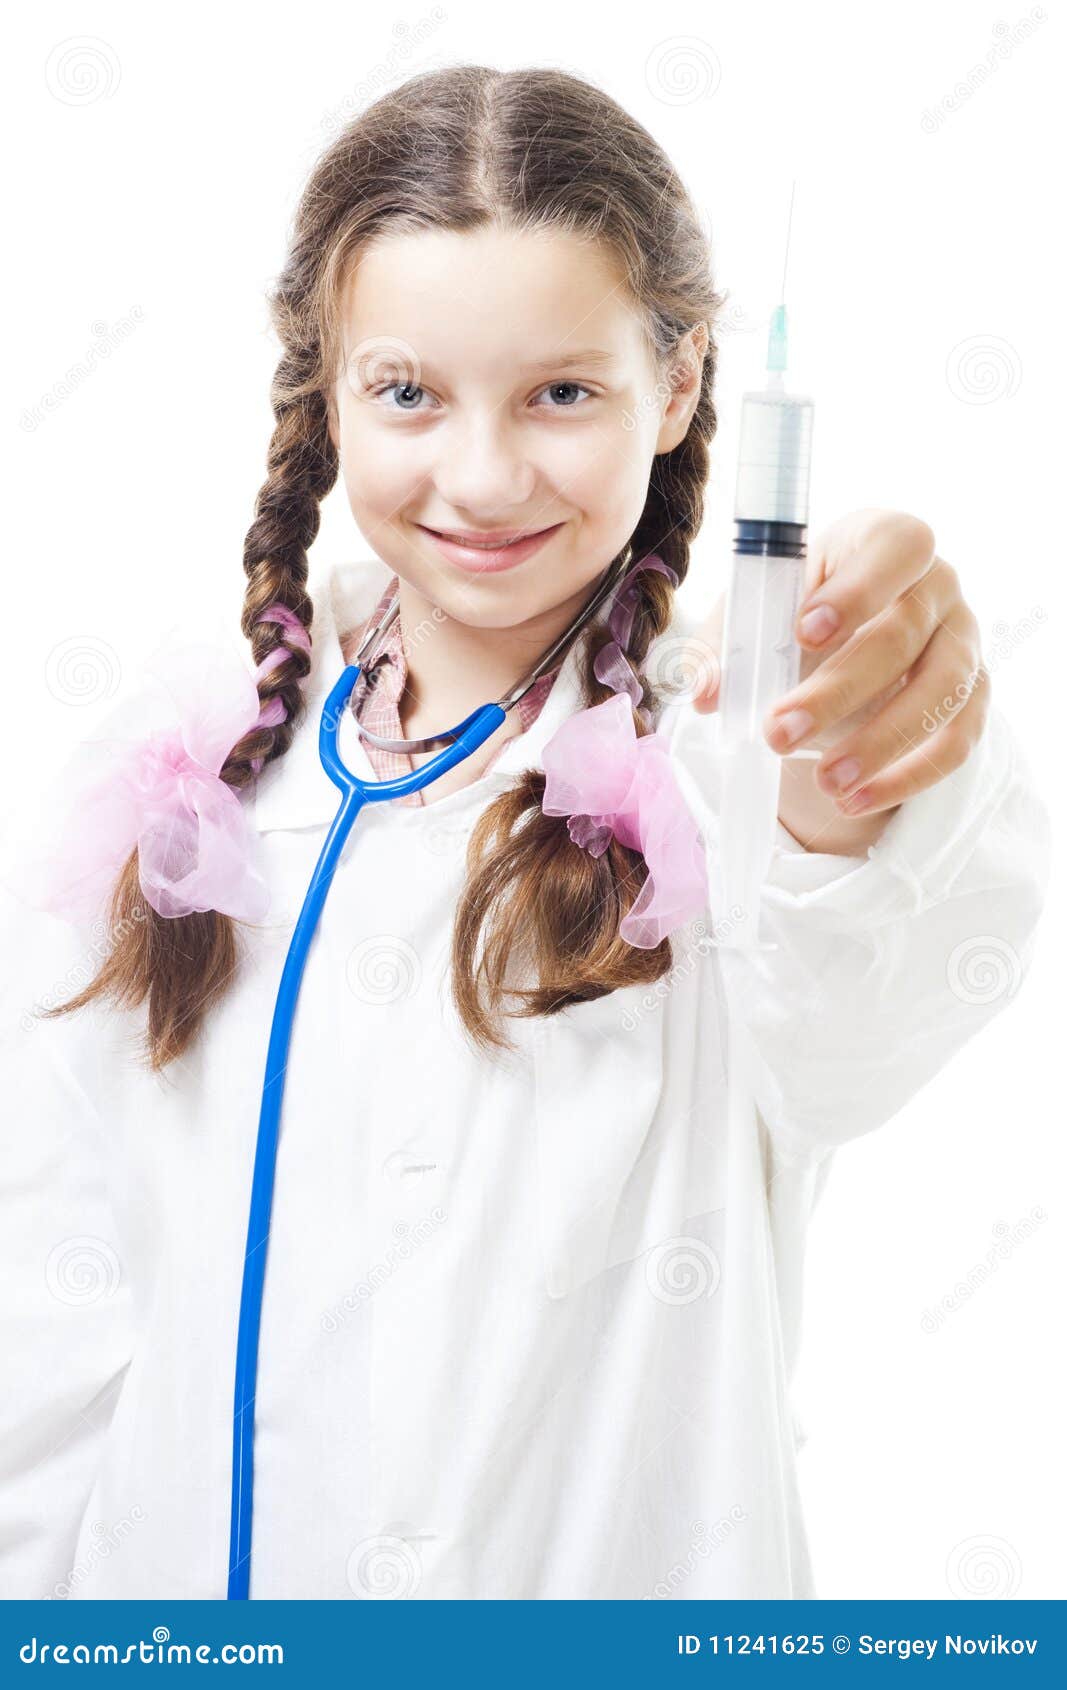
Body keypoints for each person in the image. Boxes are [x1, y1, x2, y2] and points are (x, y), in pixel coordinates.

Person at [0, 64, 1050, 1601]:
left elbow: (859, 1009)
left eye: (563, 390)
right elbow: (50, 1318)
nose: (484, 474)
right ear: (325, 388)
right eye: (409, 391)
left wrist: (854, 775)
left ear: (684, 386)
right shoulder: (192, 780)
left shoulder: (726, 759)